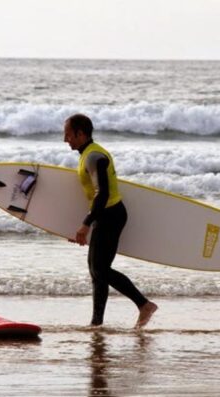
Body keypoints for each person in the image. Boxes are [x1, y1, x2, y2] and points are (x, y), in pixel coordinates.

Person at [63, 114, 157, 327]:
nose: (65, 139)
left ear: (81, 133)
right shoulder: (88, 153)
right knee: (97, 272)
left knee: (101, 270)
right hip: (105, 216)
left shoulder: (94, 157)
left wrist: (86, 224)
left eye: (68, 134)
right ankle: (96, 323)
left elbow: (103, 193)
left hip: (111, 215)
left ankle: (144, 305)